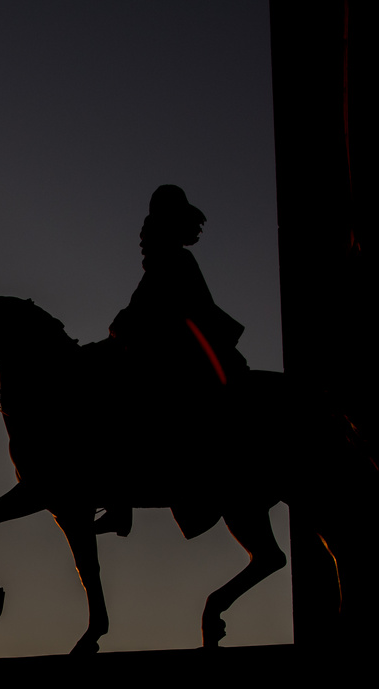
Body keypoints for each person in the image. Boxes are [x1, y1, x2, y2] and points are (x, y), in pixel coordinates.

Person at [95, 185, 249, 539]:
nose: (142, 239)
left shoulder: (174, 262)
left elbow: (148, 311)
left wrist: (122, 328)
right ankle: (121, 502)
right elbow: (139, 311)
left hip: (183, 362)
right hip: (172, 355)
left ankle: (121, 505)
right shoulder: (168, 262)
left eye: (148, 230)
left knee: (119, 405)